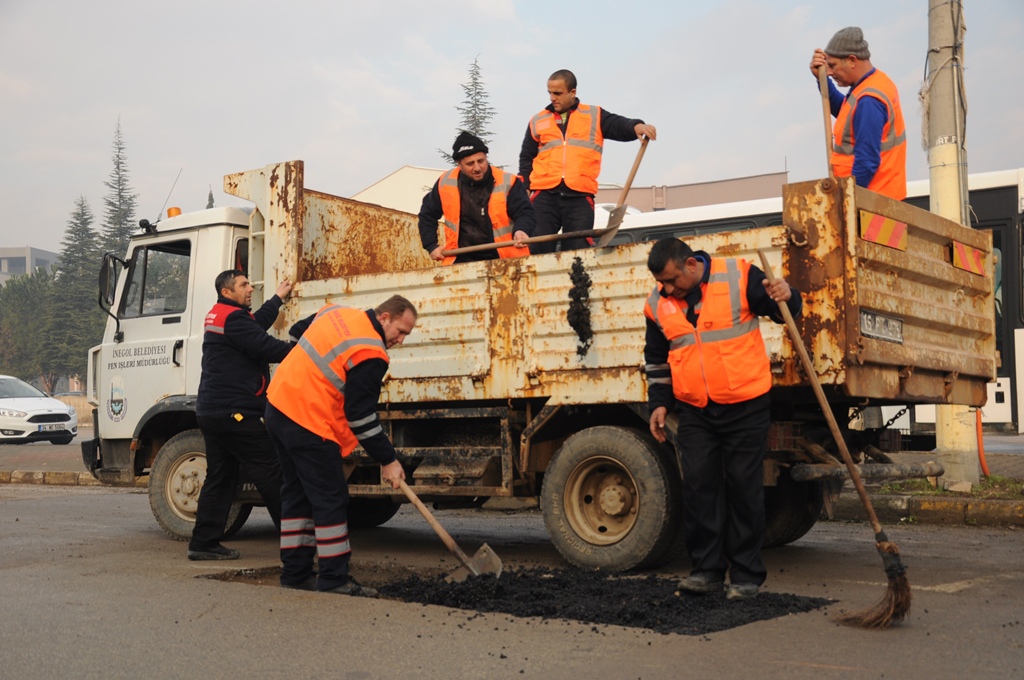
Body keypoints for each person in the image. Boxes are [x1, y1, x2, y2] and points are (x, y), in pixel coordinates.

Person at [643, 238, 802, 601]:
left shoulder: (740, 277)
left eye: (671, 280)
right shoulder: (657, 303)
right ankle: (706, 572)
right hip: (696, 409)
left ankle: (746, 576)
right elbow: (657, 358)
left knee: (744, 490)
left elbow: (784, 311)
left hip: (745, 404)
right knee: (699, 489)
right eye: (662, 283)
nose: (667, 289)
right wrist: (659, 403)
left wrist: (787, 294)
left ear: (691, 266)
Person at [264, 295, 416, 596]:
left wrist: (306, 372)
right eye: (400, 331)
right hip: (309, 420)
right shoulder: (371, 352)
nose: (400, 340)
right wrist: (388, 460)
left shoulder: (335, 312)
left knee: (297, 495)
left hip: (278, 405)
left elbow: (296, 331)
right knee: (330, 498)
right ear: (384, 317)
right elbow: (360, 416)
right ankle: (334, 579)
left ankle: (295, 575)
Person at [188, 270, 295, 561]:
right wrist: (304, 351)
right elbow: (265, 346)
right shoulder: (233, 319)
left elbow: (255, 326)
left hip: (212, 411)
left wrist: (277, 299)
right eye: (243, 285)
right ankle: (297, 544)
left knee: (220, 478)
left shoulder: (221, 315)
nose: (250, 288)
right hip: (233, 413)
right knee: (272, 470)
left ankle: (203, 543)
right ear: (227, 292)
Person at [518, 69, 656, 254]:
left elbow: (617, 124)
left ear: (572, 92)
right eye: (550, 93)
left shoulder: (593, 115)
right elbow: (526, 156)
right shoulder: (537, 120)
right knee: (538, 246)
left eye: (557, 93)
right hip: (544, 195)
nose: (552, 98)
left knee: (578, 251)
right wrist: (526, 186)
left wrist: (636, 126)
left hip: (579, 195)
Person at [809, 26, 907, 199]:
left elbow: (866, 161)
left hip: (871, 204)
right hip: (881, 201)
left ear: (852, 60)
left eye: (832, 66)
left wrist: (847, 201)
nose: (830, 72)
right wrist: (821, 79)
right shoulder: (873, 84)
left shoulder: (869, 99)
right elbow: (845, 113)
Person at [419, 131, 534, 265]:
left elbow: (525, 213)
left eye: (481, 161)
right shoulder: (445, 183)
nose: (477, 168)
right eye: (470, 164)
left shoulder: (509, 182)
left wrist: (522, 230)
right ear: (459, 165)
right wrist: (431, 245)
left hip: (505, 259)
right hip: (460, 260)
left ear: (486, 157)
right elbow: (427, 214)